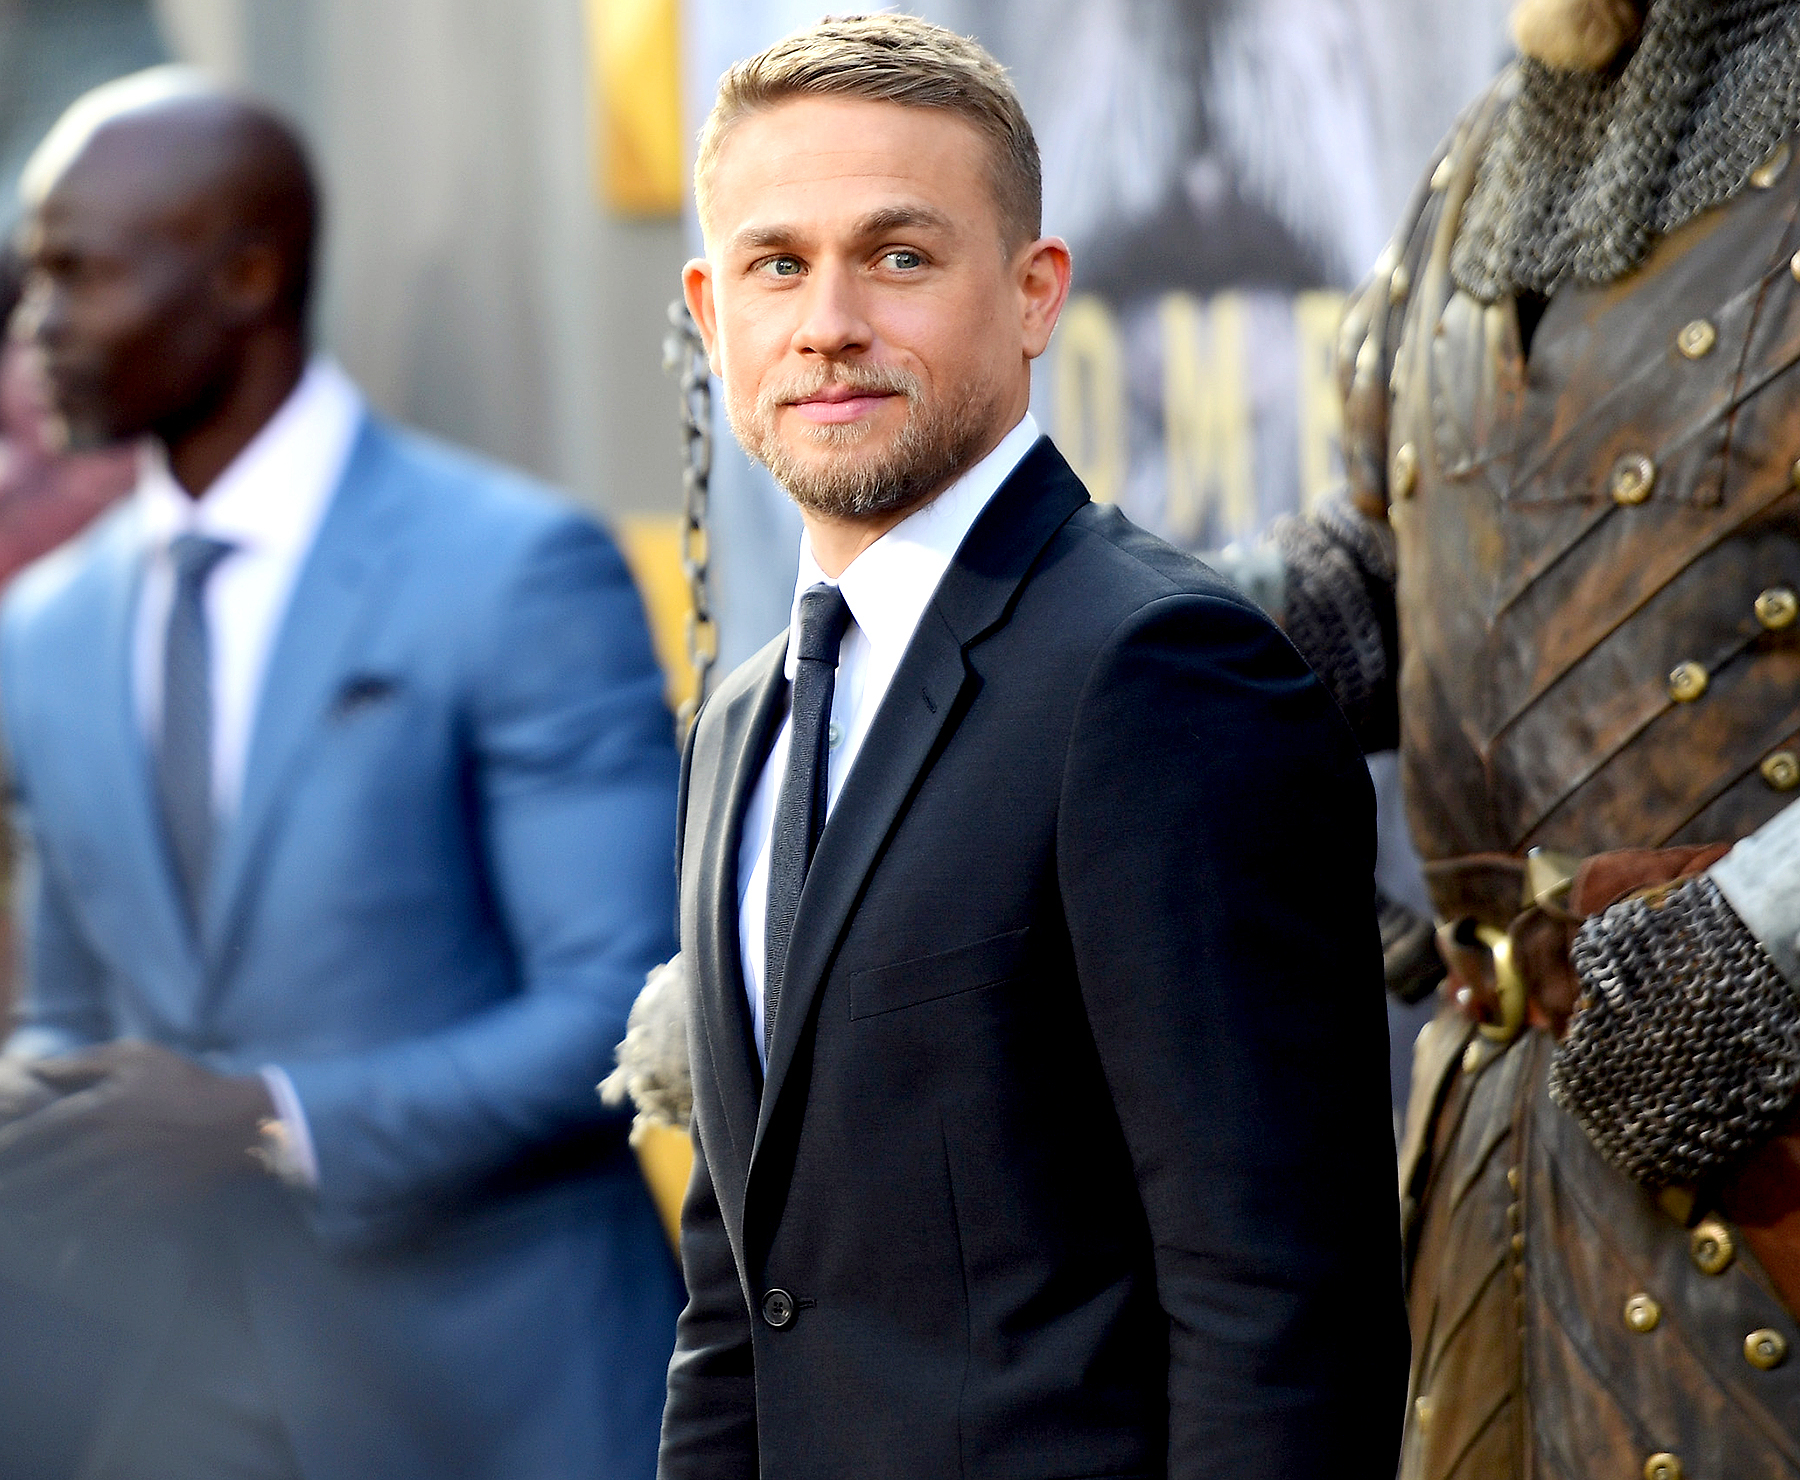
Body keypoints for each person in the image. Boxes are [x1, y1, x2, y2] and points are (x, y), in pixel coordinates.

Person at [661, 16, 1407, 1480]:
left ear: (1034, 293)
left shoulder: (1162, 676)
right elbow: (736, 1304)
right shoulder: (742, 726)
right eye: (776, 263)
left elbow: (1277, 1304)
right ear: (709, 310)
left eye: (900, 255)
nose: (827, 321)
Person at [0, 69, 682, 1480]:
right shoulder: (43, 634)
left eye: (78, 276)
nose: (34, 331)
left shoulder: (513, 574)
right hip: (173, 1406)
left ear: (247, 275)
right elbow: (74, 1021)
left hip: (510, 1404)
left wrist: (270, 1124)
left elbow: (620, 1007)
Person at [1262, 0, 1800, 1475]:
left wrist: (1765, 935)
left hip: (1767, 1186)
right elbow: (1387, 565)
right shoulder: (1485, 161)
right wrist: (1103, 674)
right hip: (1494, 1177)